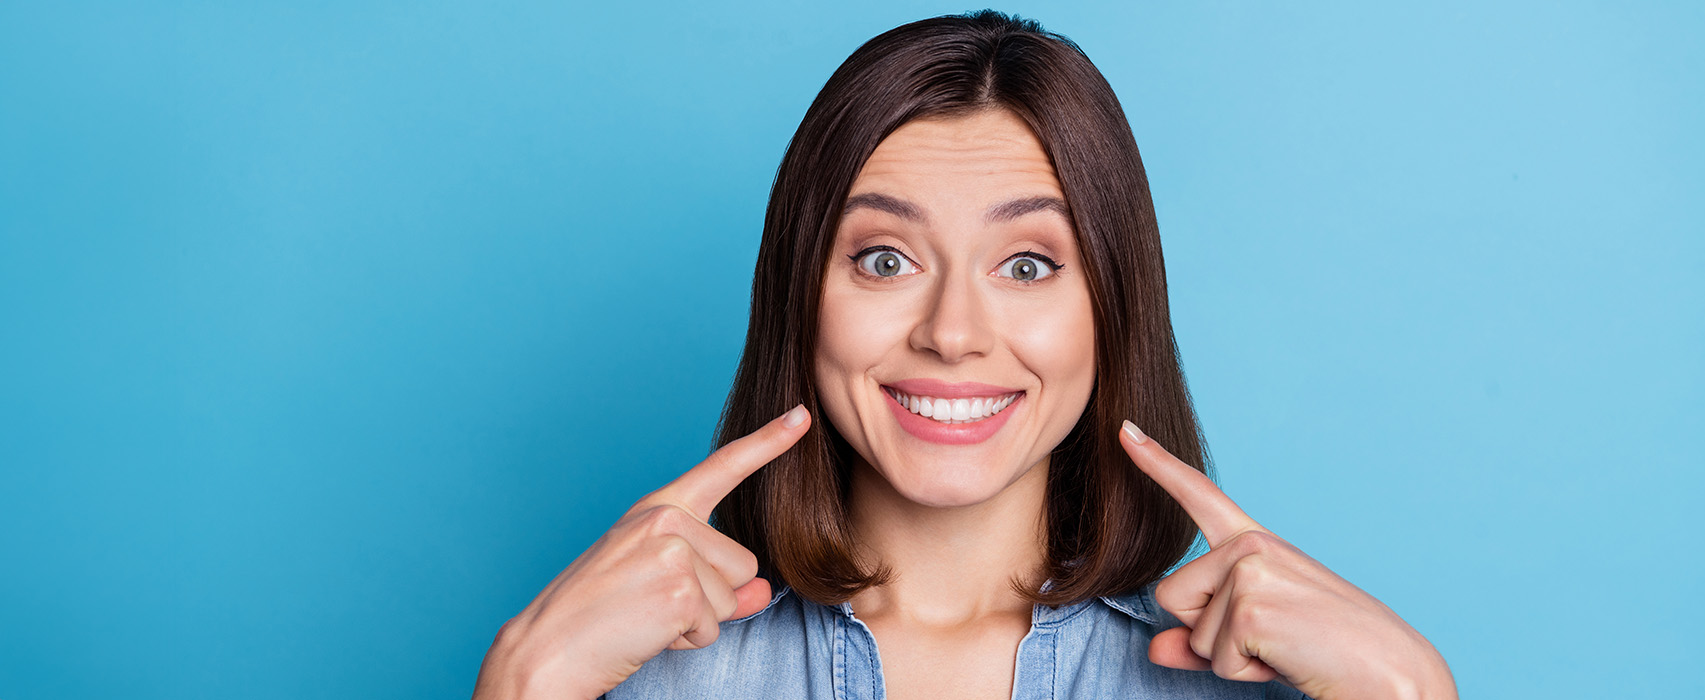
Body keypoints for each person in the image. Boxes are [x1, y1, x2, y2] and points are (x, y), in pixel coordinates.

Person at [472, 10, 1456, 700]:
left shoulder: (1265, 687)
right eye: (885, 258)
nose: (951, 331)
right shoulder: (639, 682)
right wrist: (522, 683)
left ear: (1111, 309)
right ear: (799, 299)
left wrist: (1414, 694)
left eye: (1027, 263)